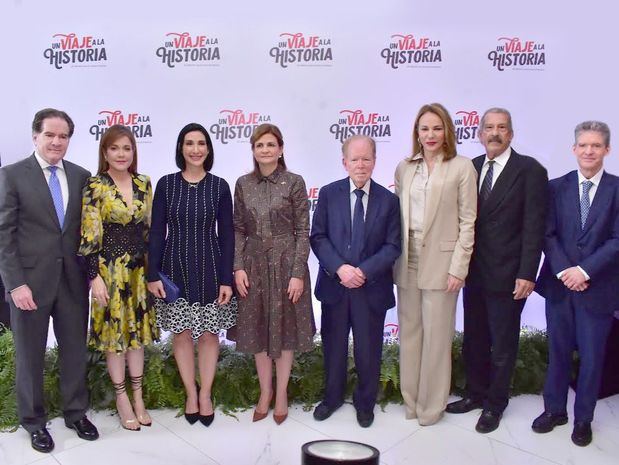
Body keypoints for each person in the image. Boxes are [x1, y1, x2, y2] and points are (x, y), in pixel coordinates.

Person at [0, 108, 99, 453]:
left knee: (74, 351)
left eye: (63, 136)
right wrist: (15, 284)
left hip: (72, 282)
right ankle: (33, 421)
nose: (57, 142)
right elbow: (4, 235)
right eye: (50, 135)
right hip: (29, 284)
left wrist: (93, 276)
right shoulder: (12, 175)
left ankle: (76, 413)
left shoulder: (81, 175)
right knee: (30, 356)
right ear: (35, 137)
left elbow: (88, 233)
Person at [446, 108, 548, 433]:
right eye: (489, 127)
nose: (494, 133)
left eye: (501, 127)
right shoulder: (471, 167)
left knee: (503, 345)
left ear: (511, 134)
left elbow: (535, 226)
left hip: (508, 275)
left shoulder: (529, 170)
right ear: (479, 133)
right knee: (474, 340)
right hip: (473, 272)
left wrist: (528, 272)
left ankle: (495, 404)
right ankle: (475, 394)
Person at [533, 121, 619, 447]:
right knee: (557, 353)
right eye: (583, 145)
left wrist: (584, 271)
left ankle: (583, 419)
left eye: (596, 146)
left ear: (606, 150)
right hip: (559, 287)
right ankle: (554, 410)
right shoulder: (556, 188)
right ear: (574, 149)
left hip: (598, 289)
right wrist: (566, 270)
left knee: (593, 358)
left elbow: (617, 240)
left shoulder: (617, 189)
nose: (589, 151)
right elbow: (547, 234)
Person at [394, 103, 477, 425]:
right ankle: (411, 402)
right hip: (407, 260)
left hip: (443, 265)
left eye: (436, 128)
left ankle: (432, 406)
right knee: (410, 335)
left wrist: (459, 266)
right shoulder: (404, 167)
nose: (430, 135)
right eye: (424, 128)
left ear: (447, 132)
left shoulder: (461, 167)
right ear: (417, 132)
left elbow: (468, 221)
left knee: (438, 338)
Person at [147, 123, 235, 427]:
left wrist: (227, 279)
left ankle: (207, 394)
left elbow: (227, 237)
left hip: (211, 266)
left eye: (201, 143)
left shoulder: (220, 186)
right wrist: (152, 274)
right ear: (181, 149)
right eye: (189, 143)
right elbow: (157, 232)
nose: (195, 149)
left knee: (210, 335)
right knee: (182, 334)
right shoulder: (166, 184)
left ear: (208, 149)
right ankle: (190, 394)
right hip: (174, 268)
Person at [310, 135, 401, 428]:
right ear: (344, 162)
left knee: (368, 350)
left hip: (370, 288)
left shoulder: (389, 200)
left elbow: (392, 245)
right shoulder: (327, 194)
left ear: (374, 161)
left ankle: (365, 403)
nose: (360, 165)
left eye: (366, 159)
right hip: (336, 287)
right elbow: (318, 236)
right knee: (334, 348)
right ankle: (332, 398)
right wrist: (340, 269)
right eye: (354, 159)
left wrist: (363, 271)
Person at [230, 123, 315, 425]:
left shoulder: (294, 182)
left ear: (280, 149)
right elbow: (238, 229)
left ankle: (281, 394)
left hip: (286, 263)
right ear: (253, 150)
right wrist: (238, 267)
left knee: (287, 331)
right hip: (253, 266)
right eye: (259, 145)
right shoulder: (242, 184)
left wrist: (297, 273)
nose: (265, 150)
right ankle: (265, 392)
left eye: (270, 145)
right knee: (257, 330)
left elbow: (303, 230)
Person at [79, 124, 159, 431]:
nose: (121, 154)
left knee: (136, 337)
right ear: (105, 152)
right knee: (115, 340)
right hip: (109, 272)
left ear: (133, 151)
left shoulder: (144, 182)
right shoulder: (95, 185)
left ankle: (138, 398)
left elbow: (151, 232)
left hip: (139, 273)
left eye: (127, 148)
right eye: (114, 148)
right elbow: (88, 235)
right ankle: (121, 398)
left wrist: (153, 275)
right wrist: (93, 277)